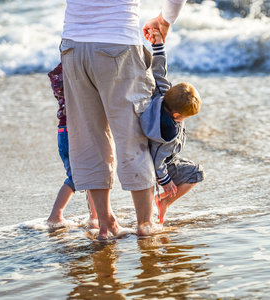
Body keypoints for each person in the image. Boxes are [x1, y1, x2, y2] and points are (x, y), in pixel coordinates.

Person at [60, 0, 187, 239]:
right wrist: (165, 20)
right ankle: (145, 224)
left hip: (72, 46)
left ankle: (105, 221)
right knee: (133, 137)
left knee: (89, 139)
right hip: (118, 43)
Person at [141, 29, 205, 224]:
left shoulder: (162, 93)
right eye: (185, 117)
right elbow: (158, 160)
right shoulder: (169, 133)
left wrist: (158, 44)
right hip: (162, 165)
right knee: (197, 173)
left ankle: (161, 200)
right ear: (176, 115)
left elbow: (159, 69)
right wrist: (166, 181)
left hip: (156, 158)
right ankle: (164, 201)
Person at [47, 63, 98, 229]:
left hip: (63, 132)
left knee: (88, 175)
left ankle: (94, 216)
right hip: (74, 132)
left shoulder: (58, 76)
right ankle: (55, 216)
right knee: (76, 178)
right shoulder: (74, 75)